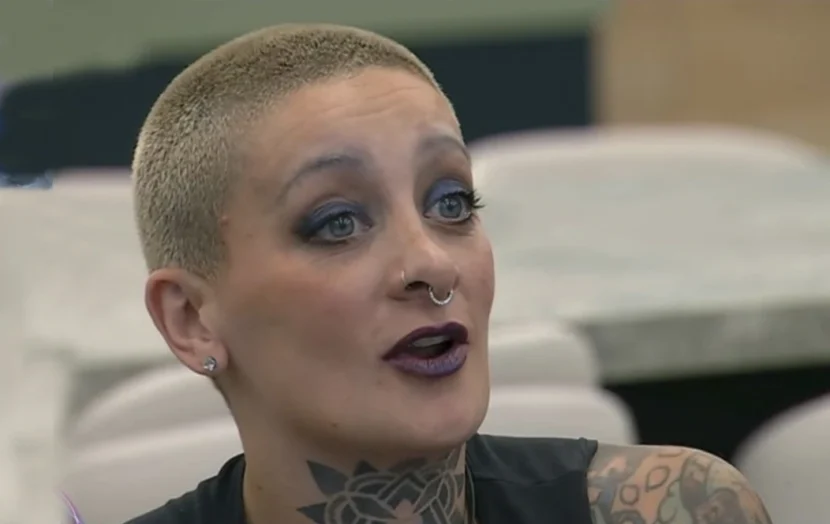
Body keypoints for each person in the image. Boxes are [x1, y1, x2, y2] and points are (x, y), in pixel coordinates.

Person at [128, 24, 773, 524]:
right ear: (191, 319)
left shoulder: (676, 508)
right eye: (338, 222)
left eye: (452, 204)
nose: (432, 264)